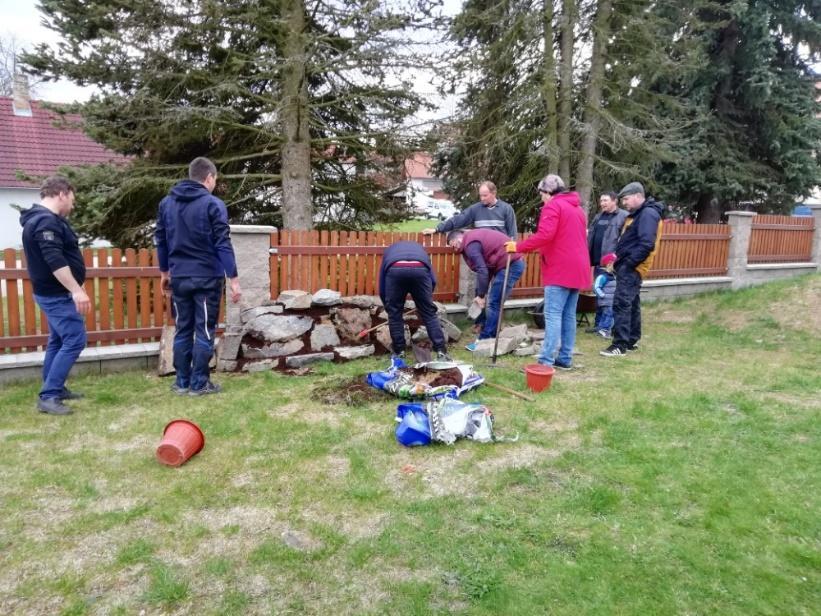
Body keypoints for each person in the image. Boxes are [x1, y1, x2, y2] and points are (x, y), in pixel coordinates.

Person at [155, 157, 242, 395]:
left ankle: (182, 382)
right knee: (204, 330)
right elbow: (223, 243)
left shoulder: (166, 204)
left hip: (179, 278)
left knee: (183, 328)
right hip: (206, 278)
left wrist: (164, 272)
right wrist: (234, 280)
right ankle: (199, 383)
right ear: (209, 177)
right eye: (215, 180)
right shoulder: (213, 205)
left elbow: (160, 241)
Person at [20, 177, 90, 415]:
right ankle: (49, 395)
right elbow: (54, 261)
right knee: (75, 339)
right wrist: (76, 290)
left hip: (52, 293)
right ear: (62, 194)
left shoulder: (45, 220)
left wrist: (75, 287)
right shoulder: (45, 222)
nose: (72, 204)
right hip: (56, 295)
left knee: (59, 340)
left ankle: (55, 389)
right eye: (72, 199)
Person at [504, 174, 590, 370]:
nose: (541, 197)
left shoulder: (553, 206)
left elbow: (545, 235)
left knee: (552, 315)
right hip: (578, 268)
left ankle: (546, 360)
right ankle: (565, 358)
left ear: (548, 192)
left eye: (541, 193)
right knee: (568, 315)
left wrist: (517, 247)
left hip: (560, 268)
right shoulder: (577, 209)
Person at [600, 182, 664, 357]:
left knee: (621, 304)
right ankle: (631, 339)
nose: (624, 203)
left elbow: (646, 244)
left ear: (638, 195)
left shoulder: (648, 214)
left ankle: (619, 345)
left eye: (626, 199)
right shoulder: (642, 213)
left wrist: (628, 264)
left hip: (632, 268)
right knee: (632, 303)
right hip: (630, 266)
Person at [446, 228, 525, 350]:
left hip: (511, 264)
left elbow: (482, 270)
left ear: (459, 238)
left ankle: (485, 342)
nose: (455, 249)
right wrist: (480, 294)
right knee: (494, 302)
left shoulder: (470, 245)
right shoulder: (472, 240)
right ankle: (491, 337)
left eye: (454, 245)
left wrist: (481, 296)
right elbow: (485, 270)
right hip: (505, 265)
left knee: (494, 303)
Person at [378, 241, 450, 361]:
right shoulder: (421, 251)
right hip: (420, 268)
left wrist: (388, 306)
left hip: (395, 268)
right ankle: (441, 351)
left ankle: (399, 353)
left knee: (395, 315)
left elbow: (382, 283)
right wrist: (426, 301)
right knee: (429, 314)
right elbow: (432, 279)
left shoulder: (389, 252)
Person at [586, 191, 628, 333]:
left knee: (609, 297)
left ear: (614, 201)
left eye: (605, 200)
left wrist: (617, 259)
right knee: (599, 293)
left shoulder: (623, 216)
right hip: (598, 263)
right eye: (601, 200)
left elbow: (625, 239)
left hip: (612, 265)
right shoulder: (598, 217)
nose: (602, 203)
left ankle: (606, 326)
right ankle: (598, 325)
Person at [422, 181, 517, 239]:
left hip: (500, 255)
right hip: (482, 255)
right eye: (480, 195)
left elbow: (512, 234)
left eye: (485, 195)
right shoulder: (475, 209)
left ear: (494, 193)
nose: (482, 198)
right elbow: (458, 220)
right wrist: (437, 229)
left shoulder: (506, 209)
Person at [592, 253, 617, 338]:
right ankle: (604, 330)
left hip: (611, 301)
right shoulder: (603, 276)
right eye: (615, 263)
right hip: (605, 300)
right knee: (608, 315)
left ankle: (601, 329)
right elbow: (596, 287)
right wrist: (602, 295)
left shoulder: (613, 276)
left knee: (607, 316)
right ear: (609, 264)